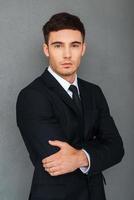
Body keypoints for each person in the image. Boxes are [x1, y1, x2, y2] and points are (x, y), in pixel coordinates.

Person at [16, 12, 124, 200]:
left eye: (74, 45)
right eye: (58, 46)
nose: (67, 54)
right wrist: (95, 150)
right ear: (46, 49)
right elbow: (57, 159)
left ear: (83, 48)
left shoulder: (94, 92)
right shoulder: (31, 96)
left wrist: (80, 157)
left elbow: (116, 148)